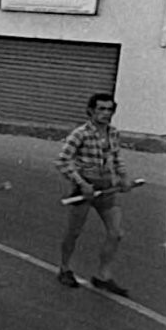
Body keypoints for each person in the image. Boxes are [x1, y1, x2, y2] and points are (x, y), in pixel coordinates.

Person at [55, 93, 134, 296]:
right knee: (74, 232)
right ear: (91, 111)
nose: (105, 114)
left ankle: (103, 276)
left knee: (116, 233)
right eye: (101, 109)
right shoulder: (80, 133)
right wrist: (81, 183)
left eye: (109, 110)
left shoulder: (113, 133)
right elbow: (63, 160)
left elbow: (116, 157)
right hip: (84, 188)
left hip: (106, 187)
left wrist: (123, 177)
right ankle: (65, 268)